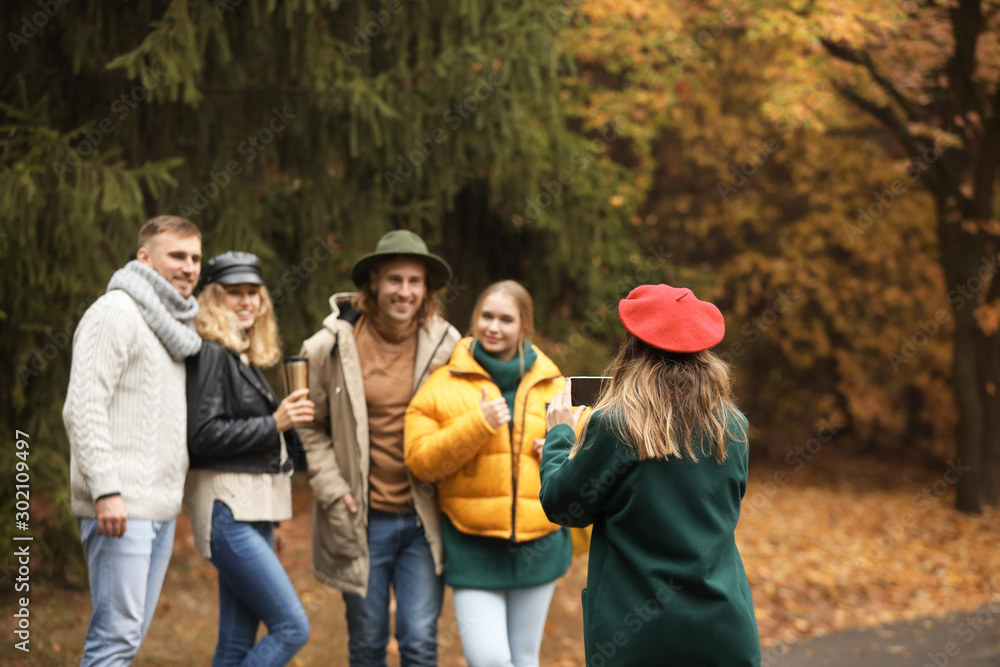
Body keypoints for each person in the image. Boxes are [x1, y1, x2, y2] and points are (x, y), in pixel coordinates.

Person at [539, 284, 761, 666]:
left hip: (637, 634)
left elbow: (566, 507)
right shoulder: (733, 427)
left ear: (632, 347)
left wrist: (560, 437)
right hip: (723, 627)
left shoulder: (615, 425)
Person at [298, 230, 461, 667]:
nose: (404, 292)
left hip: (424, 519)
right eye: (394, 280)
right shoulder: (329, 346)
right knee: (368, 644)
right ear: (373, 281)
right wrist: (332, 486)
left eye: (414, 281)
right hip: (361, 517)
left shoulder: (449, 345)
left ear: (425, 289)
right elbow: (308, 426)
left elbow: (468, 415)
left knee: (420, 641)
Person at [405, 280, 572, 667]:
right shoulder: (442, 383)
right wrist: (477, 425)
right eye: (486, 316)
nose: (493, 327)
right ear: (474, 319)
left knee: (525, 658)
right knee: (491, 661)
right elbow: (421, 462)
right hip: (472, 546)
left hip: (538, 544)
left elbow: (586, 450)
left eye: (506, 319)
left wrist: (561, 447)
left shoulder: (554, 383)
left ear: (524, 327)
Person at [63, 216, 203, 666]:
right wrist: (106, 489)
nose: (189, 267)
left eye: (196, 257)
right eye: (177, 256)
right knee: (115, 639)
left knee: (127, 637)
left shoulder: (172, 326)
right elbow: (82, 407)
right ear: (144, 257)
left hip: (158, 507)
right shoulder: (116, 312)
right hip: (119, 506)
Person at [184, 251, 313, 666]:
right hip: (228, 511)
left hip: (251, 513)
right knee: (292, 627)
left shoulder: (242, 357)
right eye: (233, 293)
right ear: (213, 300)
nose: (245, 302)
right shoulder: (211, 353)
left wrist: (270, 523)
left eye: (253, 293)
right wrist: (275, 422)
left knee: (236, 644)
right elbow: (201, 436)